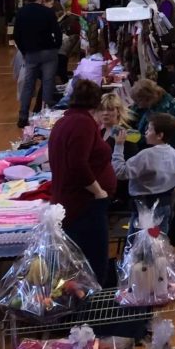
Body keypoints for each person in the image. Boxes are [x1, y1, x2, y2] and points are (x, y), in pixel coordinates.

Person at [49, 80, 116, 284]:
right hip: (84, 205)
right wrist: (98, 192)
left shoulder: (65, 121)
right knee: (93, 263)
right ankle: (92, 307)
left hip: (75, 202)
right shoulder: (83, 124)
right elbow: (78, 165)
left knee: (83, 262)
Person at [112, 111, 175, 235]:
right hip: (165, 206)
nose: (145, 132)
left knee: (137, 248)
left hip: (145, 210)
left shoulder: (147, 155)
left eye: (149, 130)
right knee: (159, 244)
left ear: (159, 135)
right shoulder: (174, 153)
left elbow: (120, 172)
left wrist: (118, 145)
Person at [14, 0, 62, 128]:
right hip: (49, 52)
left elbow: (17, 35)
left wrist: (24, 50)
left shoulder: (22, 12)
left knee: (29, 84)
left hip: (31, 53)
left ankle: (23, 115)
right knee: (48, 83)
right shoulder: (48, 12)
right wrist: (56, 46)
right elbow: (57, 33)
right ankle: (45, 115)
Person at [131, 78, 175, 152]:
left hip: (167, 147)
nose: (137, 105)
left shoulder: (162, 113)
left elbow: (148, 139)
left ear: (148, 99)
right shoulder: (161, 97)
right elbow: (136, 110)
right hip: (164, 139)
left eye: (138, 102)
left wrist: (128, 135)